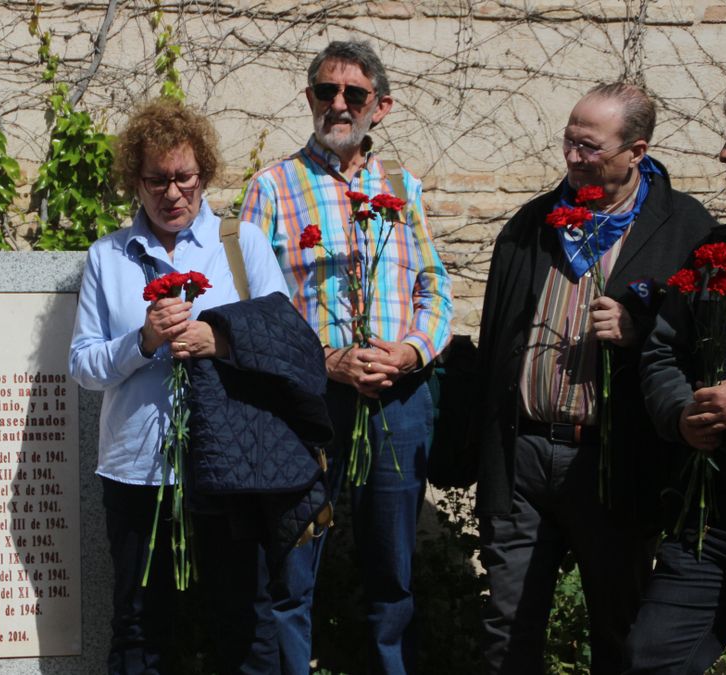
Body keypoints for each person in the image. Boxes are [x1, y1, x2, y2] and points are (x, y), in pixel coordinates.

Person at [472, 82, 714, 673]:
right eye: (569, 142)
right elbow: (496, 335)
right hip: (523, 454)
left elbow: (706, 345)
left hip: (612, 461)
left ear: (636, 150)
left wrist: (641, 332)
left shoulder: (685, 229)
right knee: (507, 623)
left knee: (619, 626)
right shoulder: (535, 221)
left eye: (590, 147)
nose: (574, 157)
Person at [68, 97, 304, 674]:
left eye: (185, 178)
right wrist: (142, 342)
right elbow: (82, 365)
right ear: (135, 180)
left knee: (243, 622)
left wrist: (218, 341)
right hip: (138, 472)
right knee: (140, 629)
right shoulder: (107, 257)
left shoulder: (241, 245)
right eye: (156, 180)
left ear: (203, 175)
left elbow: (285, 341)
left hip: (228, 468)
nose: (173, 194)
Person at [240, 40, 454, 673]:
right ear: (309, 99)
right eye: (325, 92)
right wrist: (328, 360)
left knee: (394, 575)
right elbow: (254, 308)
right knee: (292, 573)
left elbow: (434, 289)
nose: (339, 104)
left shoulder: (400, 188)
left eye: (353, 94)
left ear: (379, 108)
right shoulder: (272, 188)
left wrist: (410, 352)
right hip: (309, 405)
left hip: (397, 400)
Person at [625, 80, 726, 674]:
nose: (724, 153)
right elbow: (662, 351)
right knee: (652, 658)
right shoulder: (719, 251)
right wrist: (680, 412)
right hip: (719, 517)